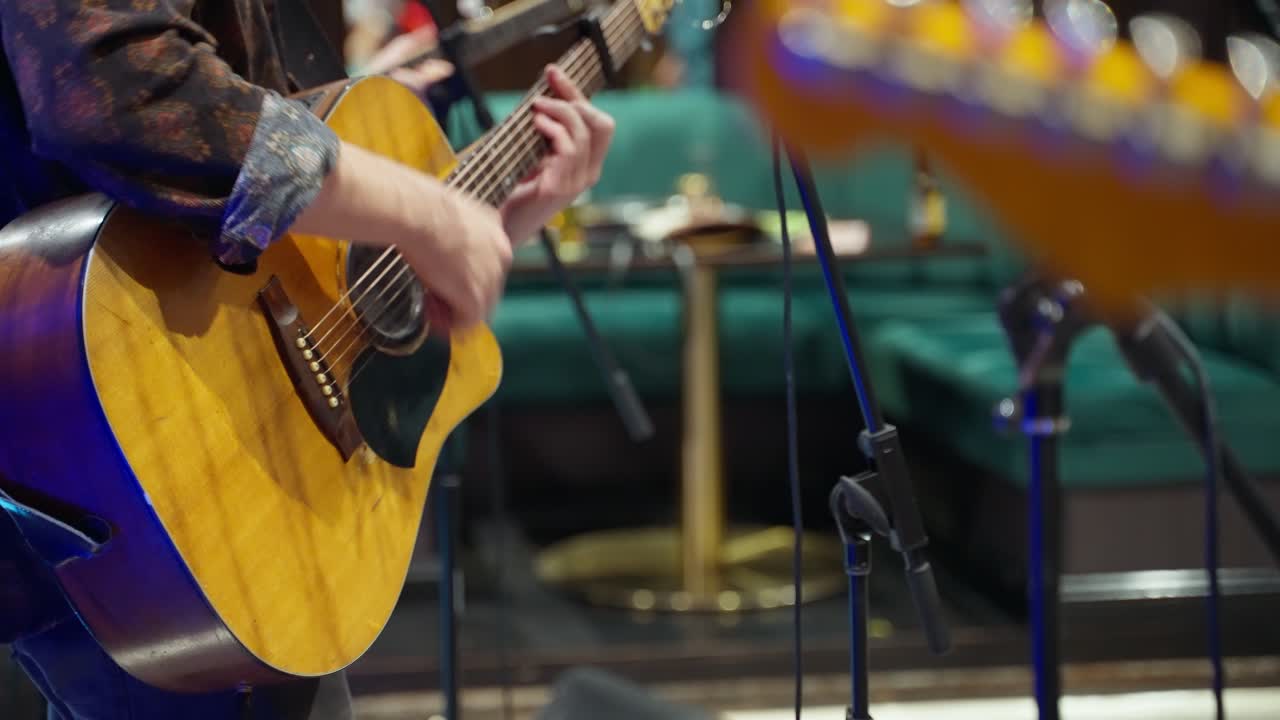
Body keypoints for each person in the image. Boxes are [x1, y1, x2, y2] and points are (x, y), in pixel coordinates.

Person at [0, 0, 615, 717]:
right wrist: (427, 213)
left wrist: (476, 224)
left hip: (205, 467)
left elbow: (237, 200)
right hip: (131, 432)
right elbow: (116, 85)